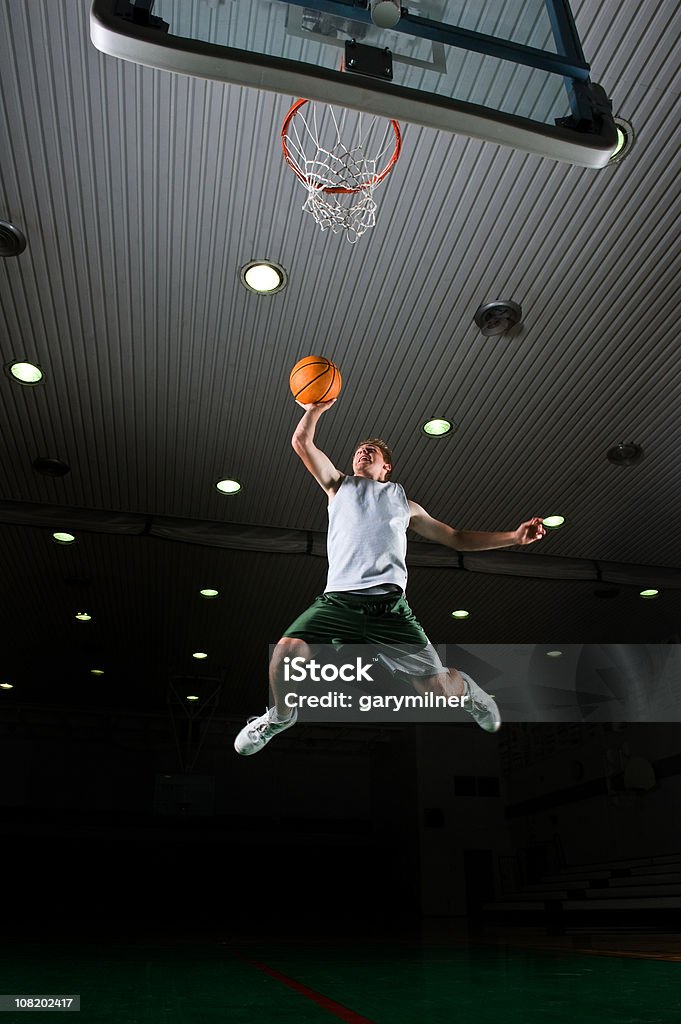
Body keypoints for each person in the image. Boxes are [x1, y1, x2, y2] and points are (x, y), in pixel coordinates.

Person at [235, 399, 545, 755]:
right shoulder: (338, 486)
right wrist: (315, 408)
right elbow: (302, 443)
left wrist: (514, 537)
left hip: (390, 609)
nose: (363, 453)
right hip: (339, 602)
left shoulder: (404, 503)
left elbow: (456, 538)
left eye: (372, 452)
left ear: (386, 468)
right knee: (285, 656)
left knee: (438, 693)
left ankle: (470, 693)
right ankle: (279, 717)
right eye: (359, 451)